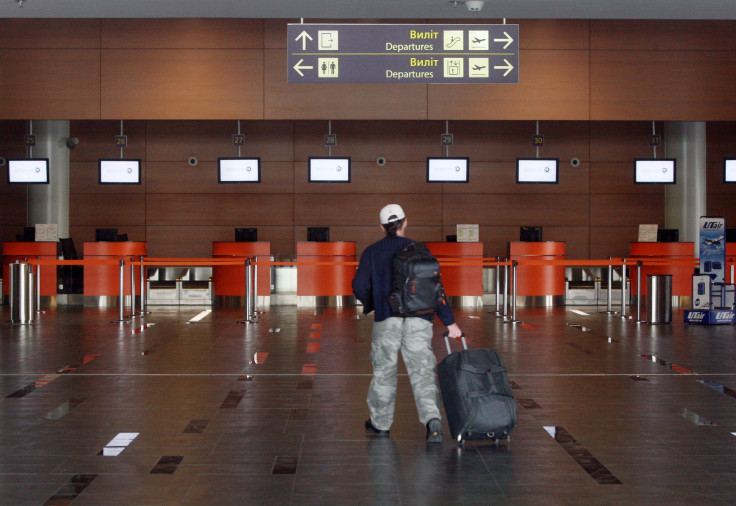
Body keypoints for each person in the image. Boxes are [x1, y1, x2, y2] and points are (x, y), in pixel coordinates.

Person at [352, 204, 462, 443]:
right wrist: (449, 322)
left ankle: (380, 424)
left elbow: (359, 286)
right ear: (405, 222)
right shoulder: (421, 250)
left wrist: (375, 303)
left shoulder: (372, 252)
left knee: (384, 373)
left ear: (381, 226)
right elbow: (435, 289)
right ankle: (432, 421)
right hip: (419, 320)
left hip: (386, 320)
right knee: (422, 372)